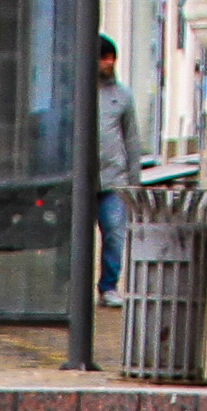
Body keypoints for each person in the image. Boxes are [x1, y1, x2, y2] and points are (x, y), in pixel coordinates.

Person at [94, 34, 139, 301]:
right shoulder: (75, 94)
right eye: (103, 58)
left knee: (114, 234)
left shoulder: (122, 96)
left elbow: (131, 139)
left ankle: (108, 287)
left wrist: (133, 181)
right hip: (81, 180)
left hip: (114, 179)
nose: (109, 63)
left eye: (112, 58)